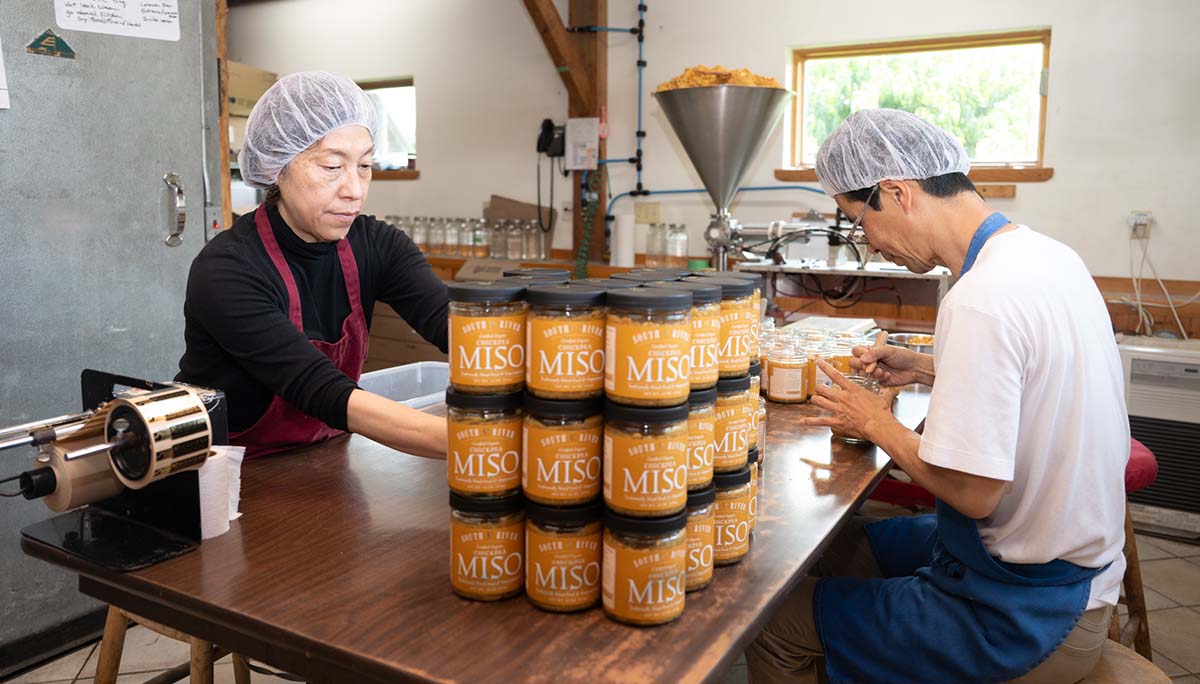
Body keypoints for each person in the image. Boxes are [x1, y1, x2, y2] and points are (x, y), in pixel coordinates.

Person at [747, 110, 1129, 684]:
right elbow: (1035, 374)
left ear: (896, 193)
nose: (871, 248)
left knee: (772, 624)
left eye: (858, 224)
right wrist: (927, 367)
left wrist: (875, 422)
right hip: (1081, 568)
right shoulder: (1047, 257)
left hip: (1032, 613)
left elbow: (973, 493)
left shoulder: (980, 299)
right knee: (841, 544)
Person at [177, 71, 448, 460]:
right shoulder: (227, 270)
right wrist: (476, 443)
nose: (355, 190)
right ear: (278, 168)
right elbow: (319, 388)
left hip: (325, 462)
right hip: (232, 475)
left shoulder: (376, 245)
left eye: (365, 166)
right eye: (332, 167)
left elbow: (453, 324)